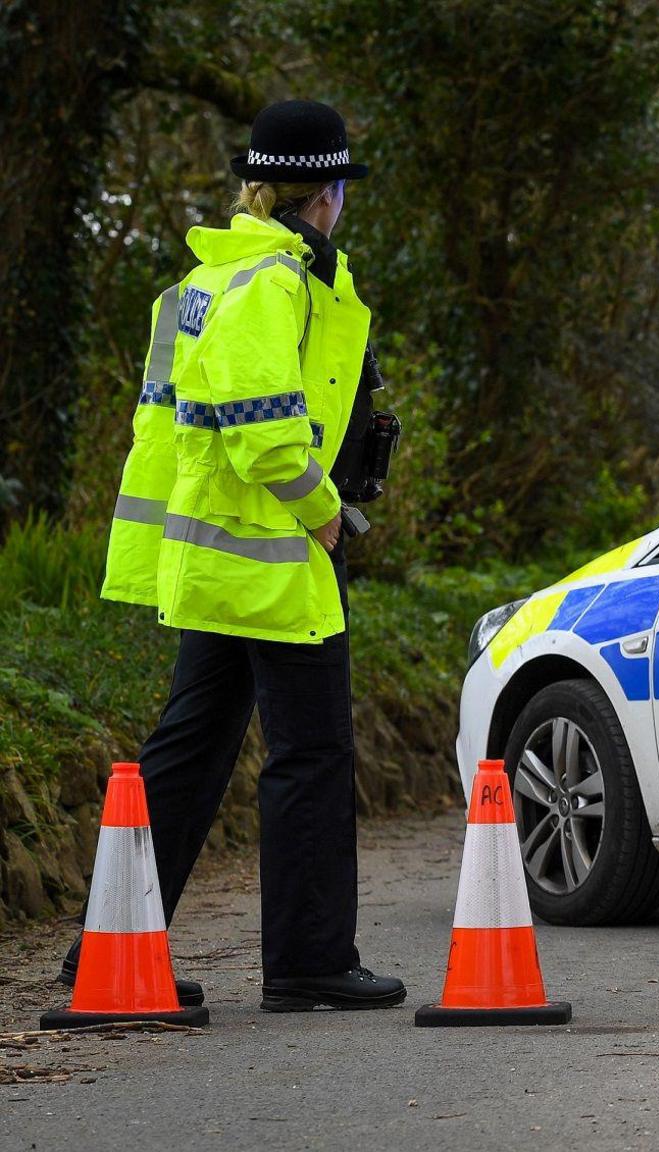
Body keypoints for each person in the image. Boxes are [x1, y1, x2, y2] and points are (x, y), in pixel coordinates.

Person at [76, 99, 405, 1012]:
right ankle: (307, 963)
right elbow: (267, 438)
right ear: (328, 193)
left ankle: (107, 951)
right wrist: (326, 512)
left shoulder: (203, 283)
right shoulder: (272, 284)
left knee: (187, 754)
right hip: (276, 553)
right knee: (310, 752)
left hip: (215, 557)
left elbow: (163, 428)